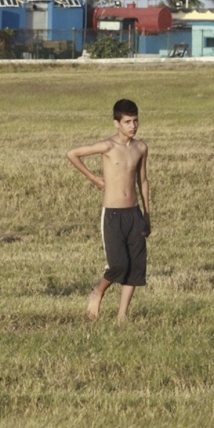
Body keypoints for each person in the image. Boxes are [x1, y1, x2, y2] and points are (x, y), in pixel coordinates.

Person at [66, 98, 151, 322]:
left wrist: (147, 215)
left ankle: (122, 315)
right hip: (113, 214)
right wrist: (93, 178)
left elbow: (143, 181)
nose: (133, 126)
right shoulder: (108, 146)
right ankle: (98, 292)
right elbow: (72, 154)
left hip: (134, 214)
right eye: (127, 122)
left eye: (135, 121)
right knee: (118, 264)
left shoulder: (141, 148)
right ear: (116, 123)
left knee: (136, 265)